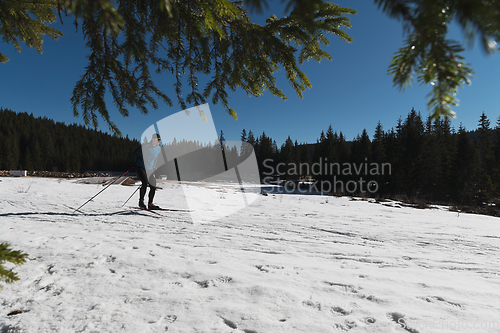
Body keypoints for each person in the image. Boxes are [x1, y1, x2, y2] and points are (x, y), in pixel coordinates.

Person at [129, 133, 162, 210]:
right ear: (153, 140)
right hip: (140, 167)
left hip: (150, 169)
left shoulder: (158, 148)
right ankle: (141, 202)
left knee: (153, 186)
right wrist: (131, 163)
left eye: (160, 140)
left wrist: (155, 165)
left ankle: (150, 204)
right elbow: (134, 153)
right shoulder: (145, 146)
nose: (159, 141)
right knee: (145, 182)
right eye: (157, 140)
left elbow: (157, 158)